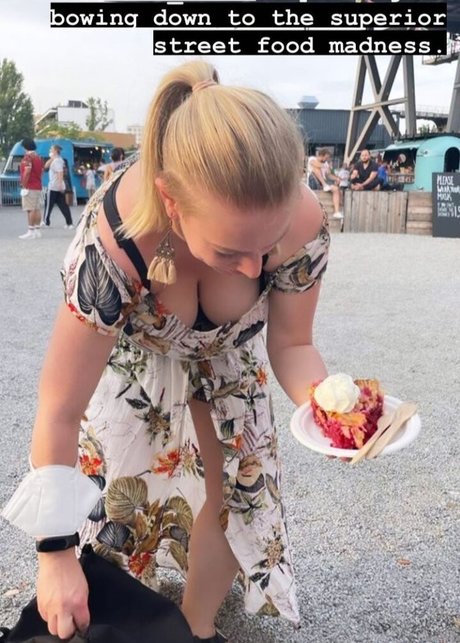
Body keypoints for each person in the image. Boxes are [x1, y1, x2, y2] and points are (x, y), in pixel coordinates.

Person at [2, 61, 331, 643]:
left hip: (230, 361)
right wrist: (53, 555)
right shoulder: (114, 245)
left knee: (234, 494)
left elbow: (292, 342)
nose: (254, 270)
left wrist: (332, 411)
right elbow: (59, 407)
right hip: (138, 359)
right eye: (230, 251)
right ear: (171, 202)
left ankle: (196, 628)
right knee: (116, 509)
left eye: (268, 246)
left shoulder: (302, 220)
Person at [42, 145, 74, 228]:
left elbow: (60, 172)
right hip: (57, 186)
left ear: (55, 151)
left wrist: (59, 184)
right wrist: (52, 158)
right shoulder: (57, 160)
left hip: (54, 186)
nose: (50, 150)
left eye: (51, 149)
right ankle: (69, 223)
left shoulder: (57, 161)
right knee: (63, 206)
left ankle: (46, 222)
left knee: (48, 205)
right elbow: (46, 166)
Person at [18, 137, 44, 239]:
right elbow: (41, 171)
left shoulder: (27, 158)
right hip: (37, 185)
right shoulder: (38, 157)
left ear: (25, 147)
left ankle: (30, 230)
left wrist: (24, 184)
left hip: (30, 186)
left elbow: (27, 171)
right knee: (37, 209)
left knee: (30, 209)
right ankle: (37, 230)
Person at [306, 148, 343, 219]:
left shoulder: (325, 163)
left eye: (328, 158)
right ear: (321, 155)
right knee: (316, 168)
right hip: (313, 181)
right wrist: (326, 166)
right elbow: (315, 164)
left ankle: (336, 212)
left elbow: (328, 175)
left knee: (336, 189)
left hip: (322, 182)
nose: (327, 159)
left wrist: (337, 178)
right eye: (326, 157)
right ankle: (324, 185)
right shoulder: (312, 159)